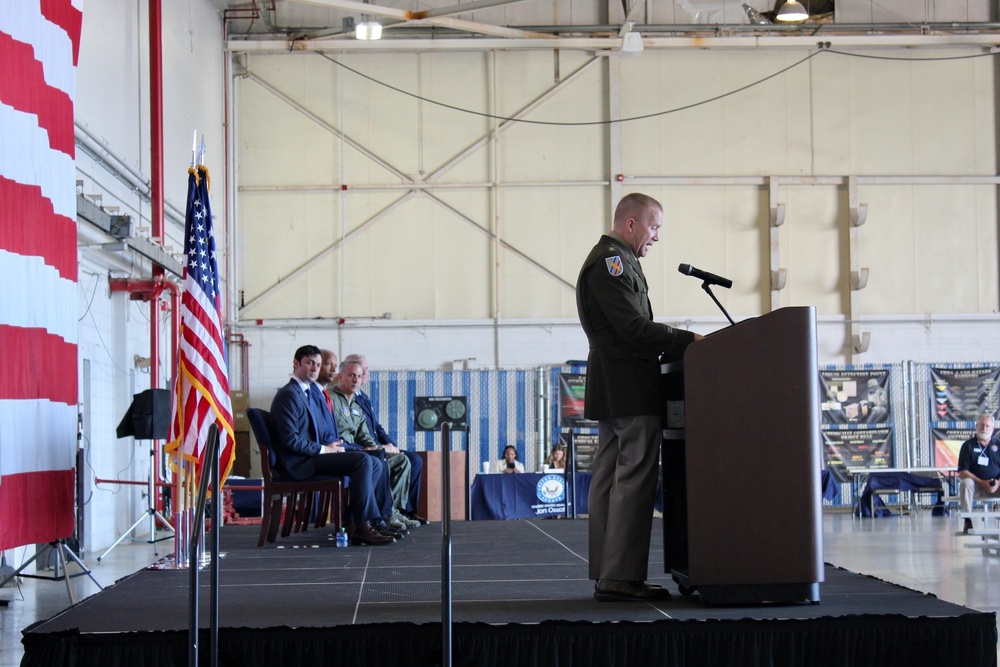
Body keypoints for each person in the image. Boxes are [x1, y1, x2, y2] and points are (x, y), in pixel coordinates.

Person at [576, 192, 702, 602]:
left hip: (617, 387)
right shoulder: (612, 262)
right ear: (630, 224)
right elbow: (633, 326)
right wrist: (689, 339)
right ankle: (621, 577)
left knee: (612, 478)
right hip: (629, 387)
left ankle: (610, 573)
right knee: (632, 479)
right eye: (654, 227)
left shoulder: (614, 260)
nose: (657, 237)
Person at [269, 345, 394, 546]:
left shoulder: (306, 393)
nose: (315, 368)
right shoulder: (289, 395)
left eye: (318, 364)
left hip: (314, 455)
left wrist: (331, 446)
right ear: (296, 364)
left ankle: (362, 521)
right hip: (300, 462)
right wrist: (325, 449)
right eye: (310, 363)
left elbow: (317, 432)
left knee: (375, 460)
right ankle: (363, 525)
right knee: (362, 460)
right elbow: (290, 440)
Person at [330, 359, 419, 530]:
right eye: (351, 375)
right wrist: (368, 450)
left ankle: (392, 511)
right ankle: (380, 516)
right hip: (343, 453)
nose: (356, 380)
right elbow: (330, 435)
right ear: (340, 376)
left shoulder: (357, 406)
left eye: (359, 376)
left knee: (401, 460)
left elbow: (366, 436)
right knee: (379, 460)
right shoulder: (330, 400)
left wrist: (379, 448)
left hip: (362, 451)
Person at [957, 413, 1000, 533]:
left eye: (987, 426)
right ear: (976, 426)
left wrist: (997, 483)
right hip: (975, 486)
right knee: (966, 482)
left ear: (993, 428)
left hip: (996, 487)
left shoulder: (998, 445)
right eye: (981, 425)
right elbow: (962, 471)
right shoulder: (967, 446)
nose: (984, 428)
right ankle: (967, 520)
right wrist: (981, 482)